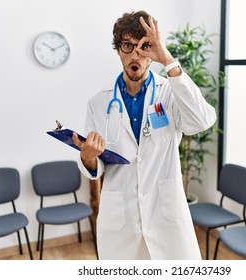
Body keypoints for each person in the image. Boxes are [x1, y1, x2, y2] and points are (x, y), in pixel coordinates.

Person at [73, 10, 216, 260]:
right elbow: (97, 165)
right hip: (121, 221)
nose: (135, 55)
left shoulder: (170, 93)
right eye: (127, 46)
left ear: (153, 50)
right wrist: (87, 157)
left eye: (144, 46)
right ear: (118, 50)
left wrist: (167, 60)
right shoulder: (98, 103)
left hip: (166, 216)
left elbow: (202, 120)